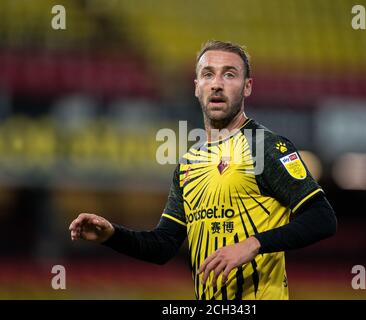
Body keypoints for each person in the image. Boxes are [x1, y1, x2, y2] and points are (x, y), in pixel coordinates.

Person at [69, 40, 337, 300]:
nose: (217, 84)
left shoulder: (264, 146)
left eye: (229, 75)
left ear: (247, 87)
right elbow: (163, 245)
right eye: (208, 74)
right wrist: (111, 235)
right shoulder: (188, 163)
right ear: (197, 87)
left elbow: (322, 218)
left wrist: (252, 244)